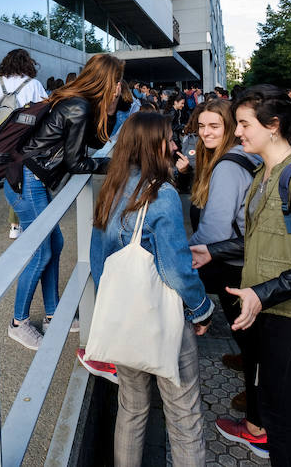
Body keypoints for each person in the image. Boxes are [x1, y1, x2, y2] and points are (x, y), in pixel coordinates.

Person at [201, 84, 291, 465]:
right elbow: (260, 243)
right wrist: (210, 250)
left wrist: (262, 292)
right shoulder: (264, 173)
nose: (237, 131)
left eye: (243, 124)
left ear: (273, 125)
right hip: (277, 315)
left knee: (277, 414)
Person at [90, 112, 213, 467]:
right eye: (169, 139)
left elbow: (99, 262)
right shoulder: (162, 195)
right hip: (163, 318)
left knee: (131, 406)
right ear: (153, 145)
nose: (175, 145)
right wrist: (201, 309)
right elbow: (176, 270)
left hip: (124, 319)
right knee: (184, 413)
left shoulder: (110, 190)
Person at [6, 53, 123, 350]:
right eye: (117, 81)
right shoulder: (78, 106)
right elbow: (77, 163)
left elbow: (95, 142)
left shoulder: (79, 103)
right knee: (42, 251)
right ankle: (18, 323)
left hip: (32, 179)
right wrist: (115, 166)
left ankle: (53, 314)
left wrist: (110, 108)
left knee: (53, 245)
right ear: (107, 81)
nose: (120, 87)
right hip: (28, 181)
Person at [175, 98, 259, 425]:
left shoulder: (225, 166)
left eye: (214, 126)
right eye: (201, 126)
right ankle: (247, 361)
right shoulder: (225, 159)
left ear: (230, 128)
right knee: (243, 325)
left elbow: (214, 230)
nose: (206, 133)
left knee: (251, 333)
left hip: (234, 261)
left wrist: (181, 256)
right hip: (237, 258)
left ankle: (258, 406)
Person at [0, 48, 48, 239]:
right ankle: (18, 224)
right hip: (25, 139)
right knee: (22, 177)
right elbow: (44, 111)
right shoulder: (34, 84)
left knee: (10, 176)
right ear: (28, 63)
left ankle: (15, 223)